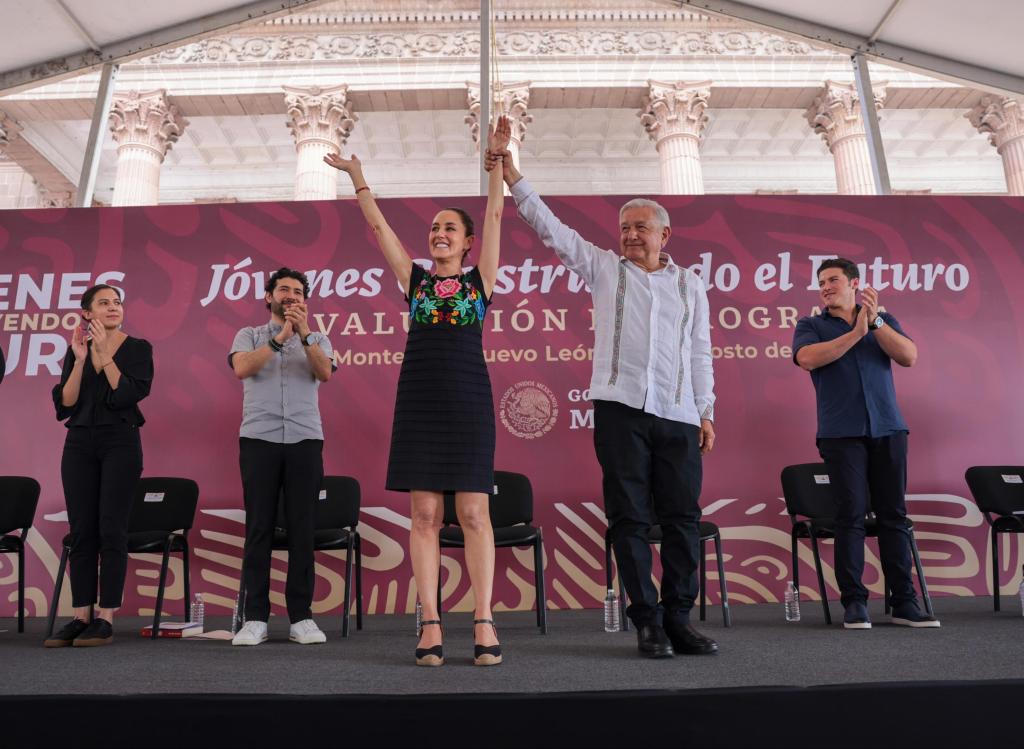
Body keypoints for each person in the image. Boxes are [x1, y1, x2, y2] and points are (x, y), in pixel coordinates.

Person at [484, 143, 719, 659]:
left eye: (641, 228)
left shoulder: (690, 286)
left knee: (682, 519)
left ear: (664, 235)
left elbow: (700, 351)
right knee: (629, 518)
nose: (631, 235)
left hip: (679, 415)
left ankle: (680, 618)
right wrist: (513, 175)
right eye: (625, 228)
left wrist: (706, 411)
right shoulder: (604, 268)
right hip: (619, 412)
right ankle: (647, 621)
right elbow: (552, 230)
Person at [324, 116, 510, 667]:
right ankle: (429, 622)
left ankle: (483, 620)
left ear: (468, 241)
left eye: (450, 228)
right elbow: (382, 232)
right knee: (425, 515)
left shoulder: (481, 281)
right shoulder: (416, 282)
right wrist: (359, 181)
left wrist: (498, 163)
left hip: (469, 400)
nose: (439, 234)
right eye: (434, 228)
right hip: (420, 400)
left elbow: (497, 212)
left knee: (475, 513)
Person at [792, 257, 939, 629]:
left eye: (833, 280)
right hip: (841, 434)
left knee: (893, 516)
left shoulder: (881, 320)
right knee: (850, 516)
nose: (825, 287)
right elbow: (807, 359)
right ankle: (855, 602)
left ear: (854, 283)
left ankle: (904, 602)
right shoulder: (810, 325)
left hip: (888, 429)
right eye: (821, 282)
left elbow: (909, 356)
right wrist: (856, 333)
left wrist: (872, 324)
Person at [229, 267, 335, 646]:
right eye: (283, 290)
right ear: (268, 297)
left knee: (302, 530)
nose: (290, 295)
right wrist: (279, 339)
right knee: (258, 528)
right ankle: (255, 617)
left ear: (305, 301)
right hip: (259, 440)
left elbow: (325, 372)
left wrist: (303, 335)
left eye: (297, 291)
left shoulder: (318, 337)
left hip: (305, 441)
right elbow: (242, 368)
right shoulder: (250, 335)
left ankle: (301, 617)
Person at [44, 284, 153, 647]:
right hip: (78, 442)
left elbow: (126, 394)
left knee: (111, 528)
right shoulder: (77, 349)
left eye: (118, 302)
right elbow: (67, 403)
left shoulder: (137, 349)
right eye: (103, 303)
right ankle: (80, 615)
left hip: (120, 441)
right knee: (82, 531)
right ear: (87, 313)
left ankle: (105, 617)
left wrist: (105, 354)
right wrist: (77, 359)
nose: (113, 307)